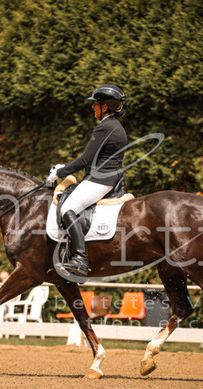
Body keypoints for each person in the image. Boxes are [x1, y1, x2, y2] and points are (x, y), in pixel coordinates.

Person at [46, 84, 127, 276]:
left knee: (67, 208)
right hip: (109, 178)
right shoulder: (116, 126)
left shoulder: (105, 127)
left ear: (105, 106)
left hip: (100, 180)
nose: (93, 107)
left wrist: (60, 172)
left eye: (96, 104)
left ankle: (80, 259)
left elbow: (85, 160)